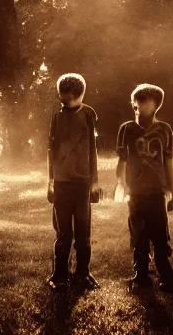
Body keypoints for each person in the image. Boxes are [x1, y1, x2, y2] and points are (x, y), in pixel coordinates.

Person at [115, 83, 173, 293]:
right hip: (135, 193)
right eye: (135, 100)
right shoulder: (127, 129)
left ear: (155, 106)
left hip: (157, 192)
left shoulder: (165, 130)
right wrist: (120, 183)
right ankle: (141, 276)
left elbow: (169, 162)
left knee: (161, 236)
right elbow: (122, 160)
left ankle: (167, 276)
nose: (137, 104)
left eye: (143, 100)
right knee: (139, 235)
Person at [46, 72, 102, 290]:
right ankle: (59, 275)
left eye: (67, 99)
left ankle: (83, 274)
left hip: (82, 184)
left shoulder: (88, 115)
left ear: (79, 95)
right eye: (61, 99)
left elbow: (93, 151)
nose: (63, 103)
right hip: (61, 183)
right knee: (63, 233)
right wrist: (50, 181)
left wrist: (95, 182)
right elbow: (50, 151)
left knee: (83, 231)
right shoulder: (56, 116)